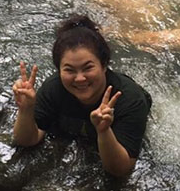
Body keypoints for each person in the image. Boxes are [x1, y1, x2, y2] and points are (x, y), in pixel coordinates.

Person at [12, 15, 152, 177]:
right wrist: (25, 109)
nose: (79, 78)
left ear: (104, 65)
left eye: (88, 68)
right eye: (69, 70)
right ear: (59, 70)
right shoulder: (53, 89)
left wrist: (104, 130)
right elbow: (27, 141)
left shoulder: (129, 99)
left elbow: (121, 170)